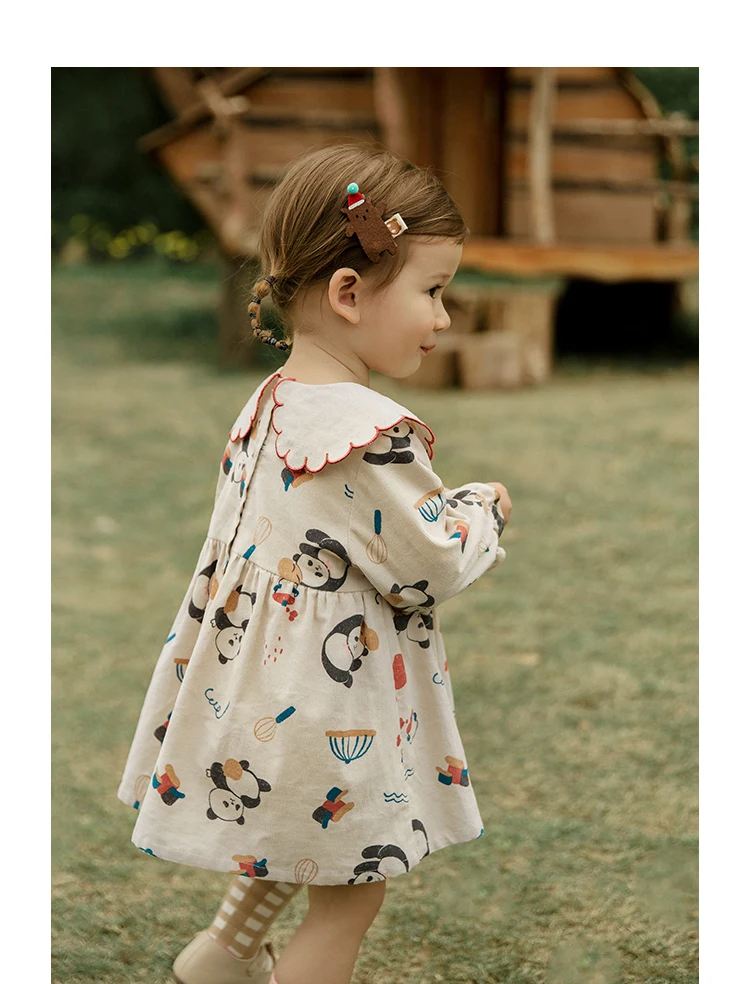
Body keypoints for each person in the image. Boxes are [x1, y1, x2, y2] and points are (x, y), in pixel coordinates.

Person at [117, 142, 513, 984]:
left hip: (256, 690)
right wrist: (484, 508)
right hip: (328, 708)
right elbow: (431, 561)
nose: (444, 317)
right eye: (433, 291)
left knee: (295, 842)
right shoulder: (365, 433)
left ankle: (220, 957)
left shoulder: (270, 404)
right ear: (349, 292)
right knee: (350, 893)